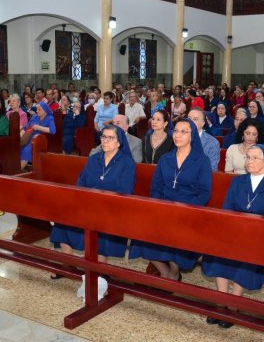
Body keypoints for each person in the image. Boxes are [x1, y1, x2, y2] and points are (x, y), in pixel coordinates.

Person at [202, 144, 264, 329]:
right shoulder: (238, 181)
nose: (250, 161)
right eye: (248, 157)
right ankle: (220, 300)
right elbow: (227, 208)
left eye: (255, 158)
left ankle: (234, 303)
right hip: (234, 229)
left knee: (250, 254)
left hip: (260, 234)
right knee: (218, 249)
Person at [130, 119, 212, 281]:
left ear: (192, 136)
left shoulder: (202, 161)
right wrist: (161, 207)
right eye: (176, 131)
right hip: (163, 208)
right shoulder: (165, 159)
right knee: (141, 232)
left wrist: (185, 209)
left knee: (177, 233)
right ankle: (164, 271)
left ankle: (174, 271)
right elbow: (156, 188)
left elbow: (204, 193)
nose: (178, 135)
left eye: (184, 132)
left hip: (188, 210)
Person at [50, 124, 136, 269]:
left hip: (111, 207)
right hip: (88, 204)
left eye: (110, 138)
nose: (105, 141)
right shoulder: (93, 159)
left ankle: (98, 270)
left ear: (119, 142)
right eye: (103, 137)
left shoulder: (127, 163)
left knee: (100, 225)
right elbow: (80, 184)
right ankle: (67, 264)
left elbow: (124, 191)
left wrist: (100, 201)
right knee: (63, 219)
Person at [20, 101, 56, 169]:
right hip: (28, 137)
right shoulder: (34, 117)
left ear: (45, 110)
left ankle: (17, 172)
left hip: (38, 140)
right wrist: (20, 135)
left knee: (26, 150)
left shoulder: (50, 118)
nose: (37, 111)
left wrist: (38, 127)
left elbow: (52, 130)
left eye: (39, 109)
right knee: (19, 146)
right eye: (37, 109)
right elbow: (26, 127)